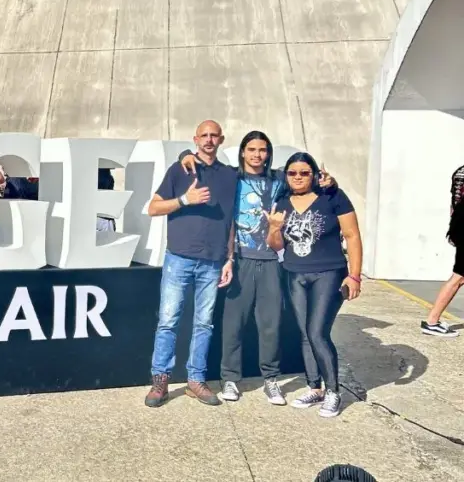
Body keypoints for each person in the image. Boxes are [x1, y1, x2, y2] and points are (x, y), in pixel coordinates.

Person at [177, 131, 338, 405]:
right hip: (239, 260)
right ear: (242, 152)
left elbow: (309, 185)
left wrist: (331, 183)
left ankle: (271, 380)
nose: (257, 155)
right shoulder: (232, 177)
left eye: (262, 150)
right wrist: (185, 155)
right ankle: (230, 379)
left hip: (273, 262)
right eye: (251, 149)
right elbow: (202, 165)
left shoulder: (279, 179)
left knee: (270, 324)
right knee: (233, 323)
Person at [144, 119, 238, 408]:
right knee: (168, 322)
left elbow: (231, 221)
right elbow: (153, 208)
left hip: (212, 262)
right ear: (195, 140)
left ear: (221, 140)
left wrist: (230, 258)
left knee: (204, 324)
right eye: (204, 136)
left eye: (214, 136)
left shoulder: (231, 176)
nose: (209, 140)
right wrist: (185, 199)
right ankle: (160, 380)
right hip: (179, 259)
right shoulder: (181, 168)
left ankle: (195, 380)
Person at [266, 152, 363, 418]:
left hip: (329, 273)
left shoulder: (332, 197)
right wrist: (274, 228)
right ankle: (314, 387)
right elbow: (276, 245)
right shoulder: (282, 201)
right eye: (292, 173)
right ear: (286, 176)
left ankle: (333, 392)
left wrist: (354, 275)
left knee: (317, 331)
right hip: (295, 274)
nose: (298, 177)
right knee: (305, 334)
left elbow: (352, 236)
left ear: (314, 174)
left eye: (304, 173)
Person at [422, 163, 464, 337]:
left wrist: (453, 228)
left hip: (460, 224)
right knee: (459, 277)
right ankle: (432, 321)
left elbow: (454, 204)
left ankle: (432, 321)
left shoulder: (460, 171)